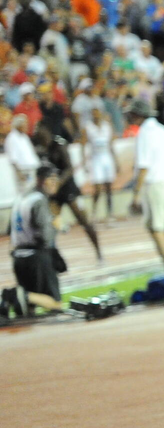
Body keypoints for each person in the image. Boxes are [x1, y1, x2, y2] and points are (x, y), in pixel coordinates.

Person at [3, 164, 66, 318]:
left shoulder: (21, 198)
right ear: (41, 181)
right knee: (56, 304)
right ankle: (16, 295)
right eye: (51, 180)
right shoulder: (39, 200)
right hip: (37, 258)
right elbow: (45, 236)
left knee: (28, 311)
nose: (55, 183)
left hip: (18, 257)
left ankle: (19, 296)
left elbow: (9, 230)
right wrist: (56, 226)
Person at [127, 99, 164, 272]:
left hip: (155, 184)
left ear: (137, 115)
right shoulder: (163, 130)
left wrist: (136, 193)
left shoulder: (144, 133)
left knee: (156, 228)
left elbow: (144, 166)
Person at [33, 124, 103, 262]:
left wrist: (59, 182)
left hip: (68, 188)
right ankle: (50, 257)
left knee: (84, 221)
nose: (43, 140)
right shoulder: (40, 149)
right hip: (54, 191)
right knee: (49, 223)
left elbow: (69, 167)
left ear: (47, 133)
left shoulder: (59, 145)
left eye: (43, 137)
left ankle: (99, 252)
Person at [81, 106, 118, 221]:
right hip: (96, 158)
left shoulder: (107, 126)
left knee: (108, 188)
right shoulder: (88, 127)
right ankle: (94, 212)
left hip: (107, 158)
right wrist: (84, 161)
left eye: (97, 113)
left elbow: (111, 144)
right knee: (97, 188)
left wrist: (116, 161)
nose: (96, 115)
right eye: (94, 113)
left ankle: (110, 213)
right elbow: (83, 144)